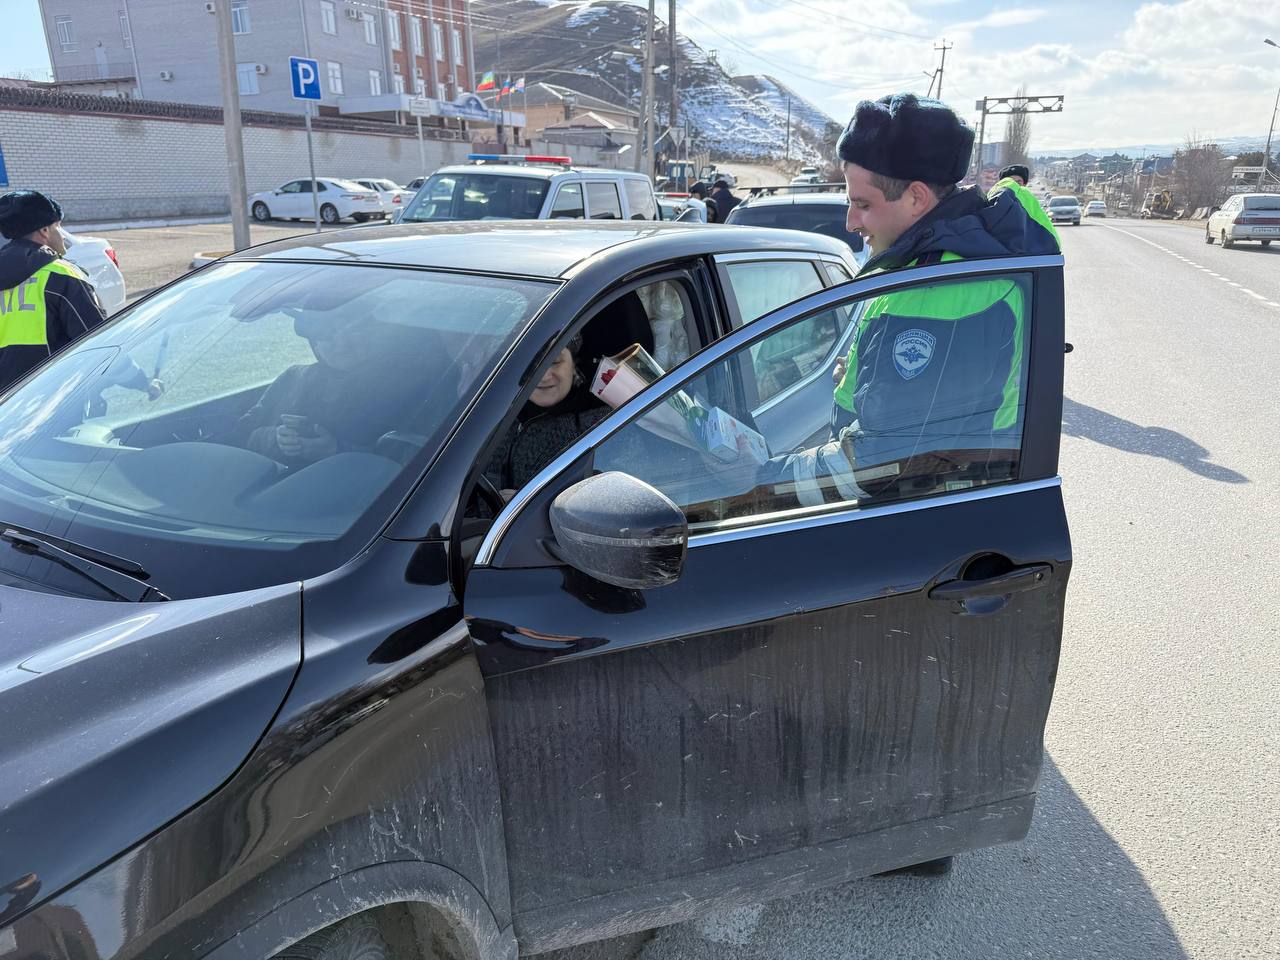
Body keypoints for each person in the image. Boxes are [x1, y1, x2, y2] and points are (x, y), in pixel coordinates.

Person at [760, 92, 1060, 505]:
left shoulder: (939, 291)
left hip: (919, 518)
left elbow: (883, 463)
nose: (850, 222)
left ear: (917, 197)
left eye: (862, 204)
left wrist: (762, 483)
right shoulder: (938, 259)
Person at [0, 189, 160, 397]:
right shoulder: (61, 275)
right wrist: (142, 382)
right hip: (53, 399)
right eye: (59, 226)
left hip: (8, 406)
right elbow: (97, 343)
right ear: (45, 231)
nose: (62, 235)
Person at [234, 315, 417, 467]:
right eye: (326, 333)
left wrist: (337, 452)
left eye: (353, 331)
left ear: (375, 334)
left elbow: (416, 464)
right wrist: (276, 439)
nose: (341, 344)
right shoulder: (294, 377)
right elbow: (240, 434)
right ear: (314, 342)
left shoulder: (406, 387)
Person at [486, 334, 607, 497]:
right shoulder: (492, 417)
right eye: (531, 365)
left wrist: (530, 508)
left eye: (555, 361)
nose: (543, 375)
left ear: (573, 364)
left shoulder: (600, 425)